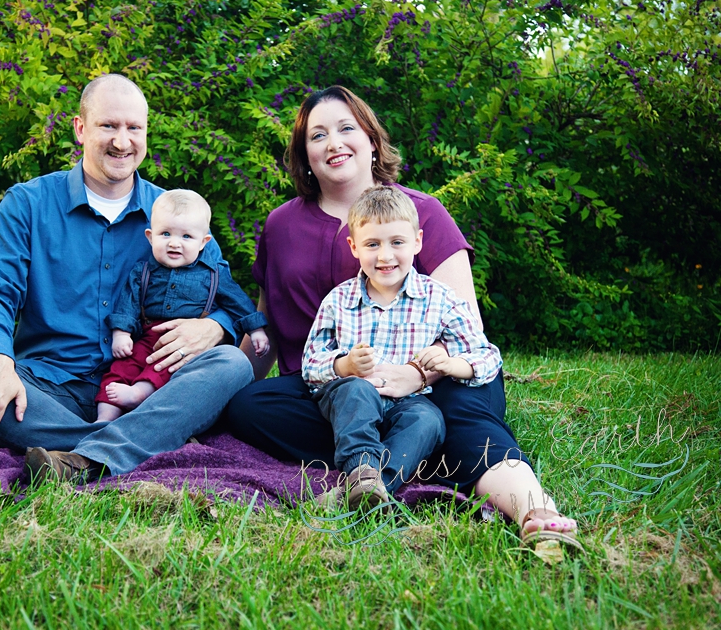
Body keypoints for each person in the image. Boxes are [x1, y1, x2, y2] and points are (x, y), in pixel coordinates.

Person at [224, 85, 581, 549]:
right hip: (338, 385)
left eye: (346, 128)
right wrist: (220, 389)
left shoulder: (424, 214)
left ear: (371, 139)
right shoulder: (281, 225)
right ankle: (410, 458)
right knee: (250, 408)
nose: (333, 143)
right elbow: (265, 326)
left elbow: (469, 334)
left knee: (460, 416)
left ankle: (535, 510)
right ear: (303, 154)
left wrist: (415, 374)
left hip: (436, 380)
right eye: (317, 135)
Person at [0, 74, 253, 485]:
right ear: (81, 128)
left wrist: (215, 326)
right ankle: (129, 446)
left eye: (133, 128)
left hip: (146, 385)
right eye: (109, 126)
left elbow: (226, 296)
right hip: (48, 387)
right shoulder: (28, 204)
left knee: (232, 363)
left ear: (145, 133)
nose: (122, 141)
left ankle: (81, 457)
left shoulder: (176, 214)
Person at [303, 186, 501, 511]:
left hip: (409, 400)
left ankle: (371, 488)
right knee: (355, 391)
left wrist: (452, 364)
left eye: (397, 242)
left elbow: (485, 355)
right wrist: (345, 366)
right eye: (372, 244)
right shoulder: (339, 300)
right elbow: (311, 364)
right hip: (353, 395)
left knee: (429, 421)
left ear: (417, 242)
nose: (385, 256)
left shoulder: (438, 298)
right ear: (354, 247)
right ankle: (362, 472)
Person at [96, 189, 269, 422]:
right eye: (165, 234)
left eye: (186, 237)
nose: (175, 244)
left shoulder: (213, 274)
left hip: (186, 343)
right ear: (150, 236)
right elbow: (128, 302)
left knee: (165, 367)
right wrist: (121, 332)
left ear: (203, 242)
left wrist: (256, 330)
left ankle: (139, 394)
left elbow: (238, 302)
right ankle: (103, 419)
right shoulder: (143, 271)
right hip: (146, 336)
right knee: (122, 366)